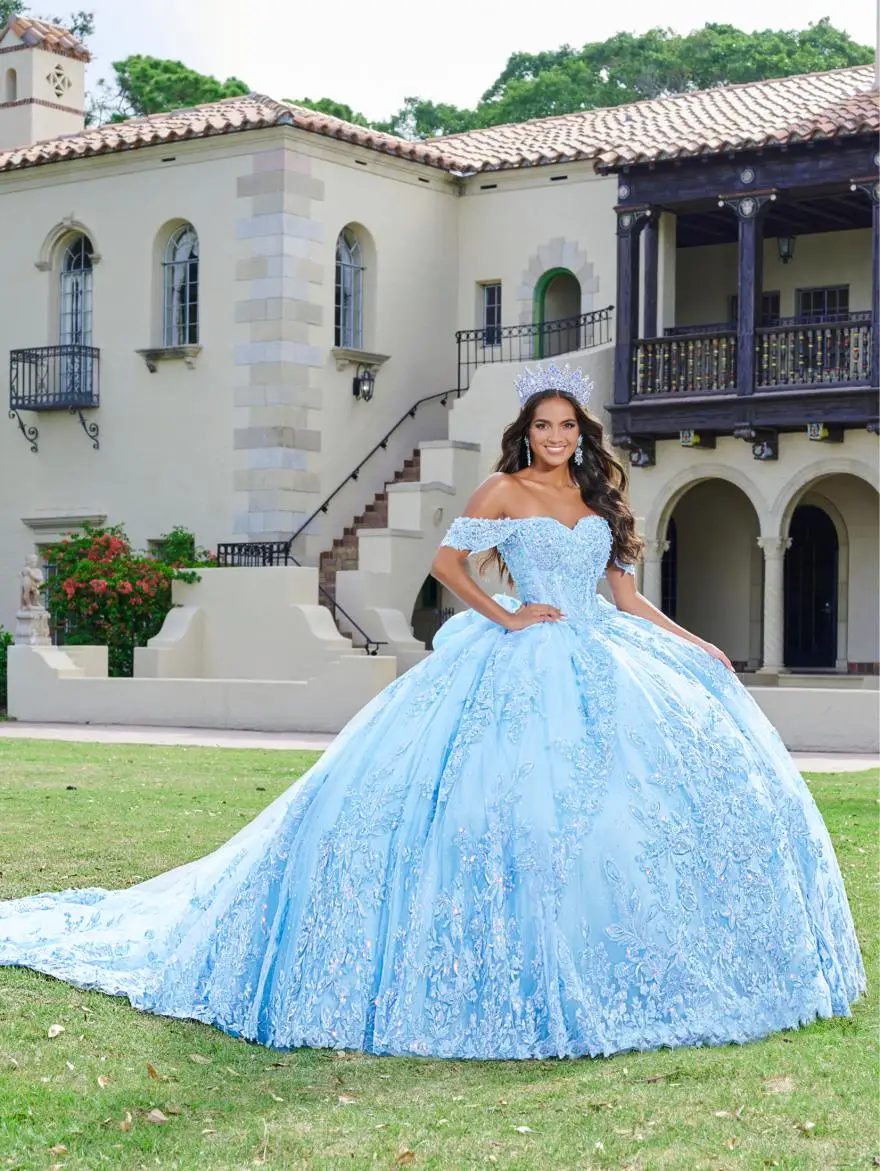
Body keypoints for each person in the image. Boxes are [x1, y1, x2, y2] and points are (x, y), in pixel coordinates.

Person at [0, 364, 864, 1061]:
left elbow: (626, 595)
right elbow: (449, 569)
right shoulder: (502, 490)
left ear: (582, 433)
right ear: (527, 433)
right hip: (525, 650)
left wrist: (694, 640)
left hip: (607, 647)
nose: (556, 439)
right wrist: (510, 615)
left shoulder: (600, 498)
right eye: (544, 426)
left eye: (567, 427)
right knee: (508, 802)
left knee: (633, 806)